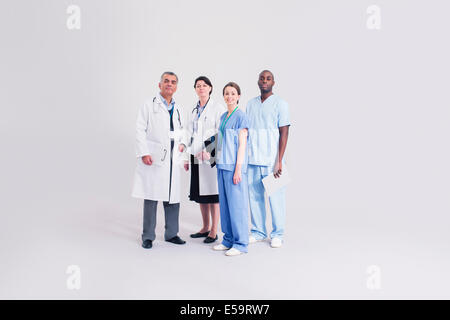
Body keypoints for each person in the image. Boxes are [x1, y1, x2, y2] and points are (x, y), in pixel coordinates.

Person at [132, 71, 187, 249]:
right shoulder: (149, 105)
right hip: (155, 157)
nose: (169, 84)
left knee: (173, 197)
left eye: (173, 82)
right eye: (166, 81)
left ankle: (172, 233)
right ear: (160, 85)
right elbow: (140, 129)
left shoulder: (179, 109)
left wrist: (183, 145)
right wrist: (144, 152)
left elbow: (184, 131)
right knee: (151, 196)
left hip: (173, 158)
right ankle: (148, 236)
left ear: (176, 87)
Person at [246, 70, 290, 248]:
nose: (265, 81)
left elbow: (285, 132)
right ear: (258, 81)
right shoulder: (250, 104)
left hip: (273, 161)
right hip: (253, 158)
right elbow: (247, 131)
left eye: (268, 79)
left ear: (273, 82)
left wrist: (279, 160)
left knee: (276, 198)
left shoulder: (281, 104)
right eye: (262, 78)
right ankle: (258, 231)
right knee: (254, 197)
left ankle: (277, 234)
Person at [180, 76, 226, 244]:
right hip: (195, 156)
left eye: (204, 85)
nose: (201, 88)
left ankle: (214, 230)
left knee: (213, 195)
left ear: (210, 88)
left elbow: (221, 133)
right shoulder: (193, 110)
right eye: (198, 86)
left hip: (210, 158)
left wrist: (209, 151)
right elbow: (187, 133)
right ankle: (205, 227)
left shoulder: (218, 108)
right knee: (200, 194)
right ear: (195, 89)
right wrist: (185, 156)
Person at [213, 82, 250, 256]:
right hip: (222, 165)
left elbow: (242, 145)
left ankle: (241, 243)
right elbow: (220, 142)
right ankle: (227, 239)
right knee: (225, 206)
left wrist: (238, 169)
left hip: (234, 167)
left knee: (237, 206)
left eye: (233, 93)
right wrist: (210, 157)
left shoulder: (241, 117)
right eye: (227, 93)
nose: (229, 96)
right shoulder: (222, 117)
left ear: (239, 96)